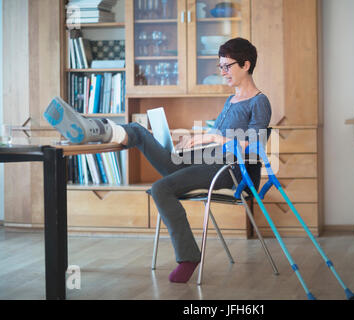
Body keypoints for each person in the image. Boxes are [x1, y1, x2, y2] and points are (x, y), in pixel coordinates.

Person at [44, 37, 272, 283]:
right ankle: (97, 130)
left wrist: (211, 136)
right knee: (140, 132)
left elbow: (254, 147)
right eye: (221, 67)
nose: (223, 72)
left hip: (233, 171)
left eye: (227, 66)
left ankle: (188, 257)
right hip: (211, 160)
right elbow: (216, 139)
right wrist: (193, 140)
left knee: (160, 188)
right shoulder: (231, 100)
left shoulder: (260, 101)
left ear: (246, 65)